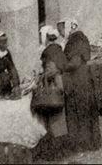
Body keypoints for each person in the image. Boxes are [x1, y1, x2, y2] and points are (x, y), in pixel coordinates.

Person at [57, 18, 102, 152]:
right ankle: (88, 142)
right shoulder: (78, 39)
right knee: (84, 110)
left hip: (79, 80)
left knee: (81, 110)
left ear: (69, 27)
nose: (60, 33)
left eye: (61, 29)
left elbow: (75, 62)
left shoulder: (76, 41)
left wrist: (60, 66)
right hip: (81, 78)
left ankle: (83, 144)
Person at [35, 25, 70, 159]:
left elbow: (51, 70)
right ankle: (62, 150)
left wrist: (41, 77)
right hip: (62, 83)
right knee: (61, 118)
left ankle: (55, 153)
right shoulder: (58, 50)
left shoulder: (48, 52)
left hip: (54, 85)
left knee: (53, 118)